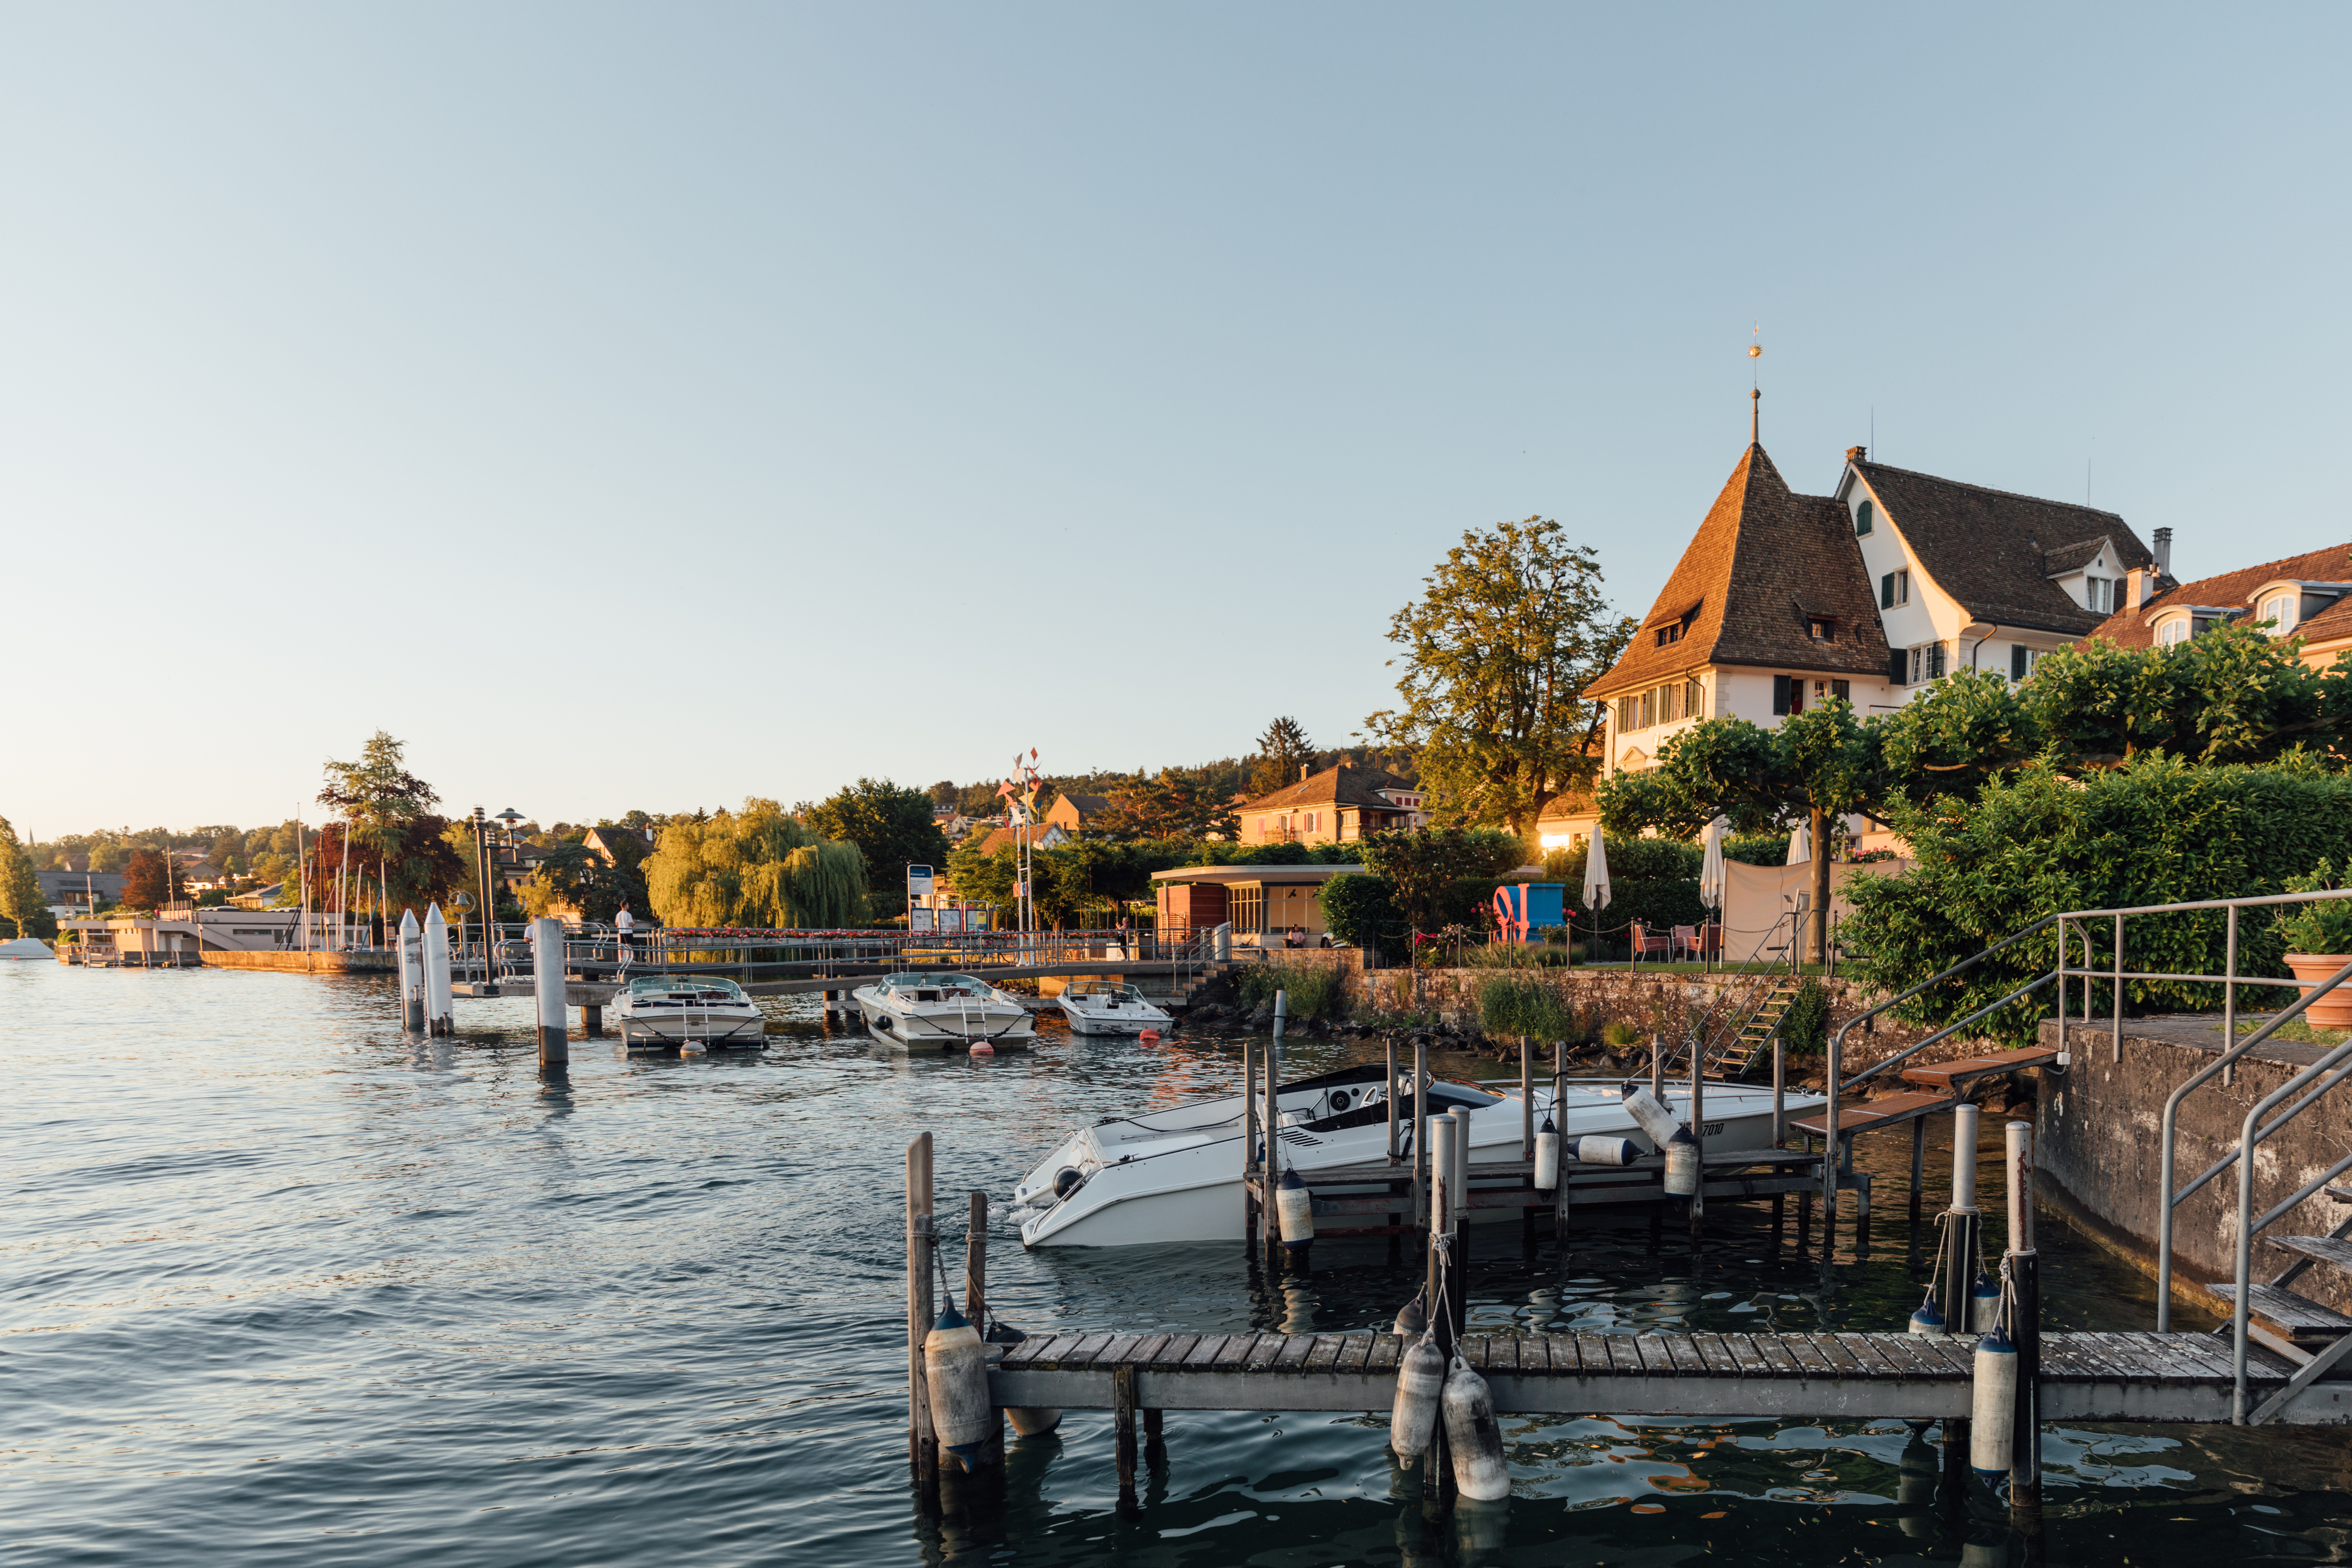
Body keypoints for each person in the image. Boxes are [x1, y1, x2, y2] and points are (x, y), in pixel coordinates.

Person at [616, 901, 635, 969]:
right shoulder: (628, 914)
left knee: (622, 946)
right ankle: (629, 958)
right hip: (628, 932)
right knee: (629, 945)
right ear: (625, 906)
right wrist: (634, 923)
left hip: (621, 932)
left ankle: (622, 959)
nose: (629, 906)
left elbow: (617, 924)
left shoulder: (619, 914)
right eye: (628, 905)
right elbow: (631, 924)